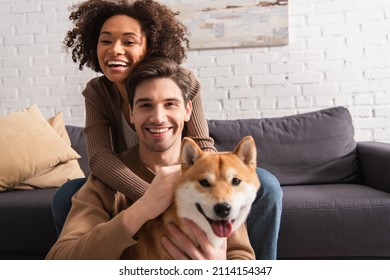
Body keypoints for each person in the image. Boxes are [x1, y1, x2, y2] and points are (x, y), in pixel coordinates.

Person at [52, 0, 282, 259]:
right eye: (106, 41)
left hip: (180, 167)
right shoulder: (98, 91)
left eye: (129, 41)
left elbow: (202, 142)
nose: (115, 50)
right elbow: (100, 159)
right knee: (68, 194)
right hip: (123, 175)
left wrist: (201, 176)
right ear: (131, 112)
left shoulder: (182, 81)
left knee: (267, 185)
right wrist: (152, 200)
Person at [46, 57, 255, 260]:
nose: (158, 117)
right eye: (145, 105)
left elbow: (242, 255)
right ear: (131, 113)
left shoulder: (218, 178)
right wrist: (143, 208)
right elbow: (59, 261)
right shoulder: (104, 184)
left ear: (188, 110)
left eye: (170, 104)